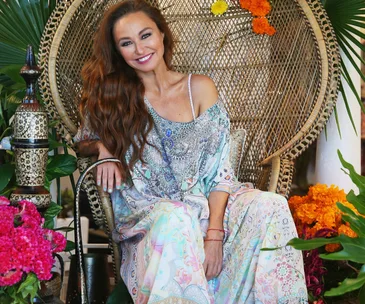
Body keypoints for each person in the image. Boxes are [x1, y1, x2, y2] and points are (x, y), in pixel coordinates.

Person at [74, 0, 308, 303]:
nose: (140, 49)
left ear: (161, 34)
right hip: (152, 212)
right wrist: (104, 148)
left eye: (146, 35)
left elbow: (220, 169)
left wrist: (215, 234)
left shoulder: (199, 88)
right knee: (177, 216)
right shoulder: (112, 96)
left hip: (208, 203)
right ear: (117, 51)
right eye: (126, 43)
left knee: (270, 204)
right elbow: (81, 141)